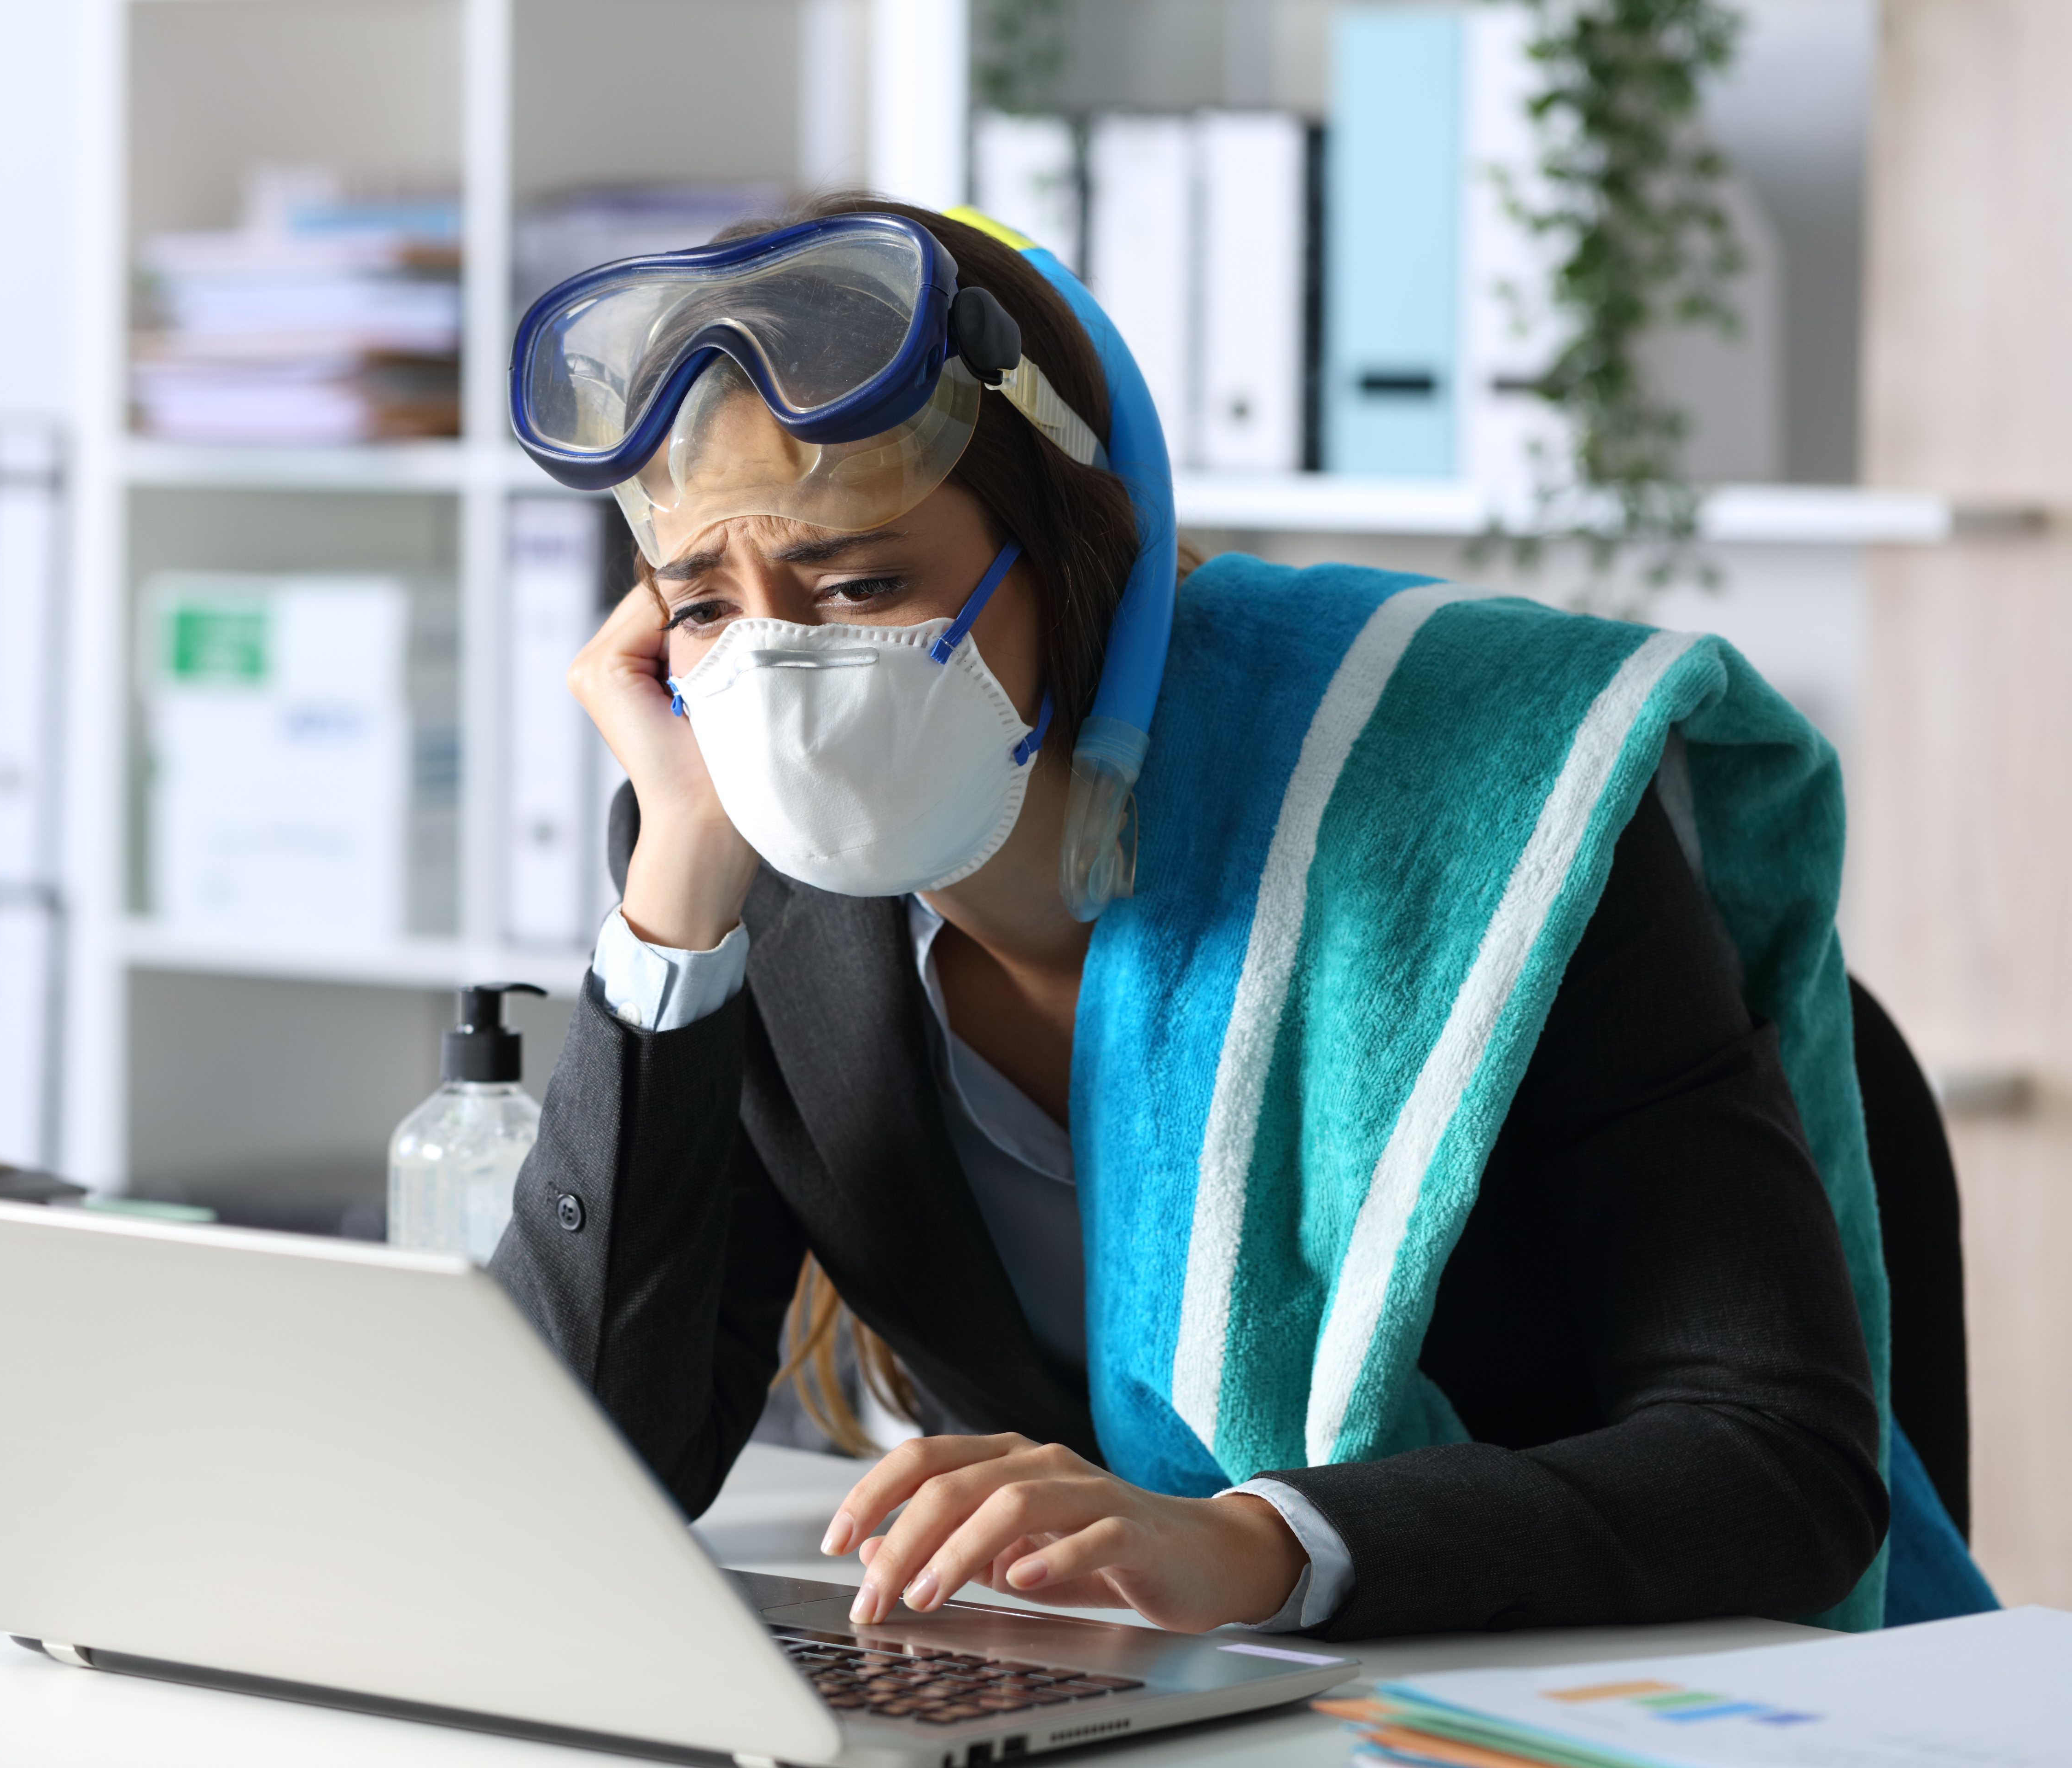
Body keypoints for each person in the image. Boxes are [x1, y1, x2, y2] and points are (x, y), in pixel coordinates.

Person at [491, 195, 1902, 1640]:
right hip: (1146, 1691)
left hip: (1516, 1680)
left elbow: (1781, 1465)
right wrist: (671, 906)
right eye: (706, 609)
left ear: (1071, 557)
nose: (778, 680)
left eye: (862, 584)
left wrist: (1267, 1547)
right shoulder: (732, 868)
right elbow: (572, 1473)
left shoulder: (1476, 803)